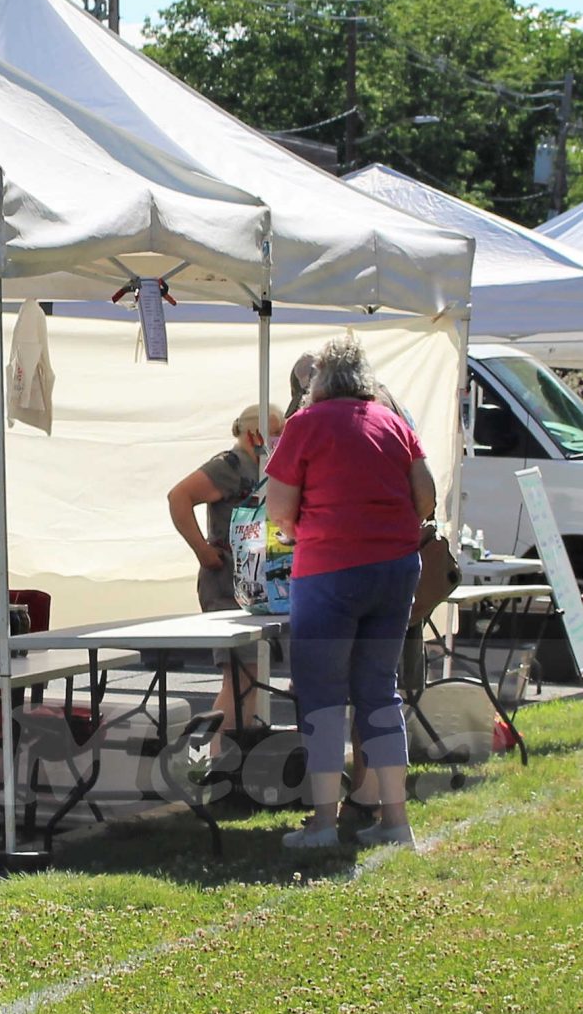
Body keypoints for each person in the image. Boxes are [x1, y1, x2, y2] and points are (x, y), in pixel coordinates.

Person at [264, 335, 438, 852]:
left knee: (321, 695)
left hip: (328, 570)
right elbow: (425, 495)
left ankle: (322, 823)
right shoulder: (393, 422)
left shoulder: (305, 424)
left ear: (317, 381)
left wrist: (299, 527)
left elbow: (277, 509)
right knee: (378, 692)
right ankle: (395, 820)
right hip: (396, 569)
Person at [166, 403, 284, 749]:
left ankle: (223, 761)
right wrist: (202, 550)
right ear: (253, 433)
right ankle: (205, 759)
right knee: (239, 679)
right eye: (275, 432)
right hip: (226, 584)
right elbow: (179, 497)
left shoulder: (263, 466)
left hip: (254, 587)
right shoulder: (230, 466)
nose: (280, 439)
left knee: (246, 680)